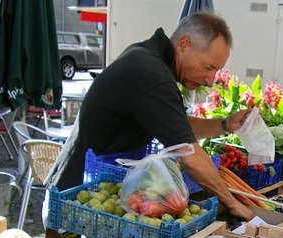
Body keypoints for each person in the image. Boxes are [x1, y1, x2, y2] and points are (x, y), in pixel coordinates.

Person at [45, 12, 254, 222]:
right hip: (75, 199)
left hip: (103, 191)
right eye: (208, 68)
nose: (210, 80)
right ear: (183, 45)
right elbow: (189, 155)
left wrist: (225, 124)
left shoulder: (149, 58)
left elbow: (179, 127)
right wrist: (233, 204)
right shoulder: (151, 73)